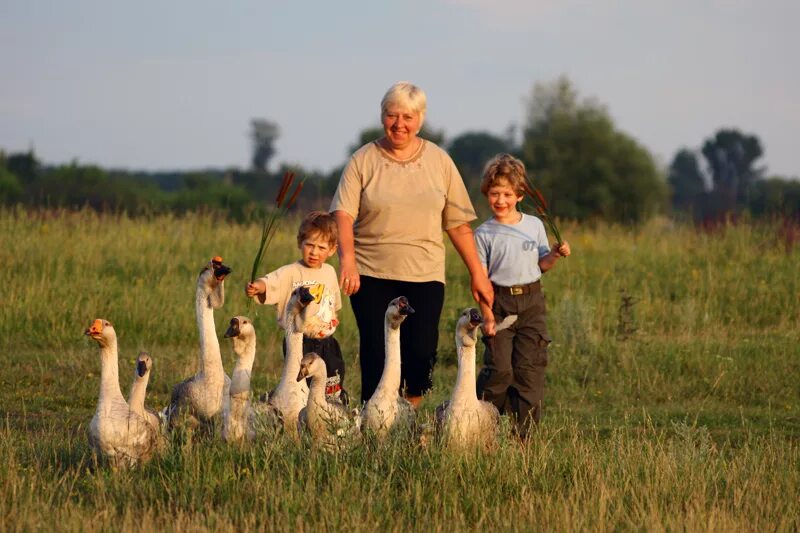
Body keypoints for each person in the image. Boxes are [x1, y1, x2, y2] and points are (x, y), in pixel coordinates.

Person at [330, 81, 493, 407]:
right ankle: (373, 423)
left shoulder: (439, 161)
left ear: (420, 119)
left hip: (425, 273)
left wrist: (478, 273)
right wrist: (347, 260)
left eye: (407, 117)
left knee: (420, 351)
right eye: (392, 115)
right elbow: (343, 214)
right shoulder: (363, 160)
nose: (399, 124)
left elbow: (458, 225)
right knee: (376, 351)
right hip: (372, 272)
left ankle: (409, 414)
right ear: (382, 116)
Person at [473, 154, 571, 438]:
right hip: (499, 304)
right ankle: (483, 429)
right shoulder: (483, 233)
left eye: (506, 194)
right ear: (486, 194)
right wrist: (487, 314)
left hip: (531, 302)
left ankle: (523, 439)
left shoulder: (534, 226)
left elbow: (541, 265)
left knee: (529, 371)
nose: (500, 200)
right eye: (494, 194)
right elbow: (479, 280)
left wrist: (554, 254)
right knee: (500, 370)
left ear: (519, 195)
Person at [246, 211, 348, 403]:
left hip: (327, 342)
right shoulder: (291, 272)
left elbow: (332, 304)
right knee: (302, 386)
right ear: (299, 243)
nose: (314, 252)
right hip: (300, 342)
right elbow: (270, 282)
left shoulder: (329, 272)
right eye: (309, 245)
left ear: (332, 250)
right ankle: (295, 413)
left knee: (332, 382)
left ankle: (330, 414)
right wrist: (257, 286)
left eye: (321, 247)